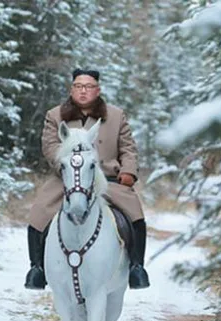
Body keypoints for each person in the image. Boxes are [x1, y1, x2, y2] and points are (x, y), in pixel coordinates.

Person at [24, 68, 150, 291]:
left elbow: (128, 148)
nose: (83, 91)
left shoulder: (116, 115)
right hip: (67, 178)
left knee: (135, 216)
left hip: (109, 179)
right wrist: (65, 165)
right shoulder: (55, 116)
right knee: (39, 212)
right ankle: (37, 269)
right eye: (78, 86)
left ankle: (136, 268)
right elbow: (50, 147)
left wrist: (128, 171)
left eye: (89, 86)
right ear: (72, 89)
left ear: (98, 89)